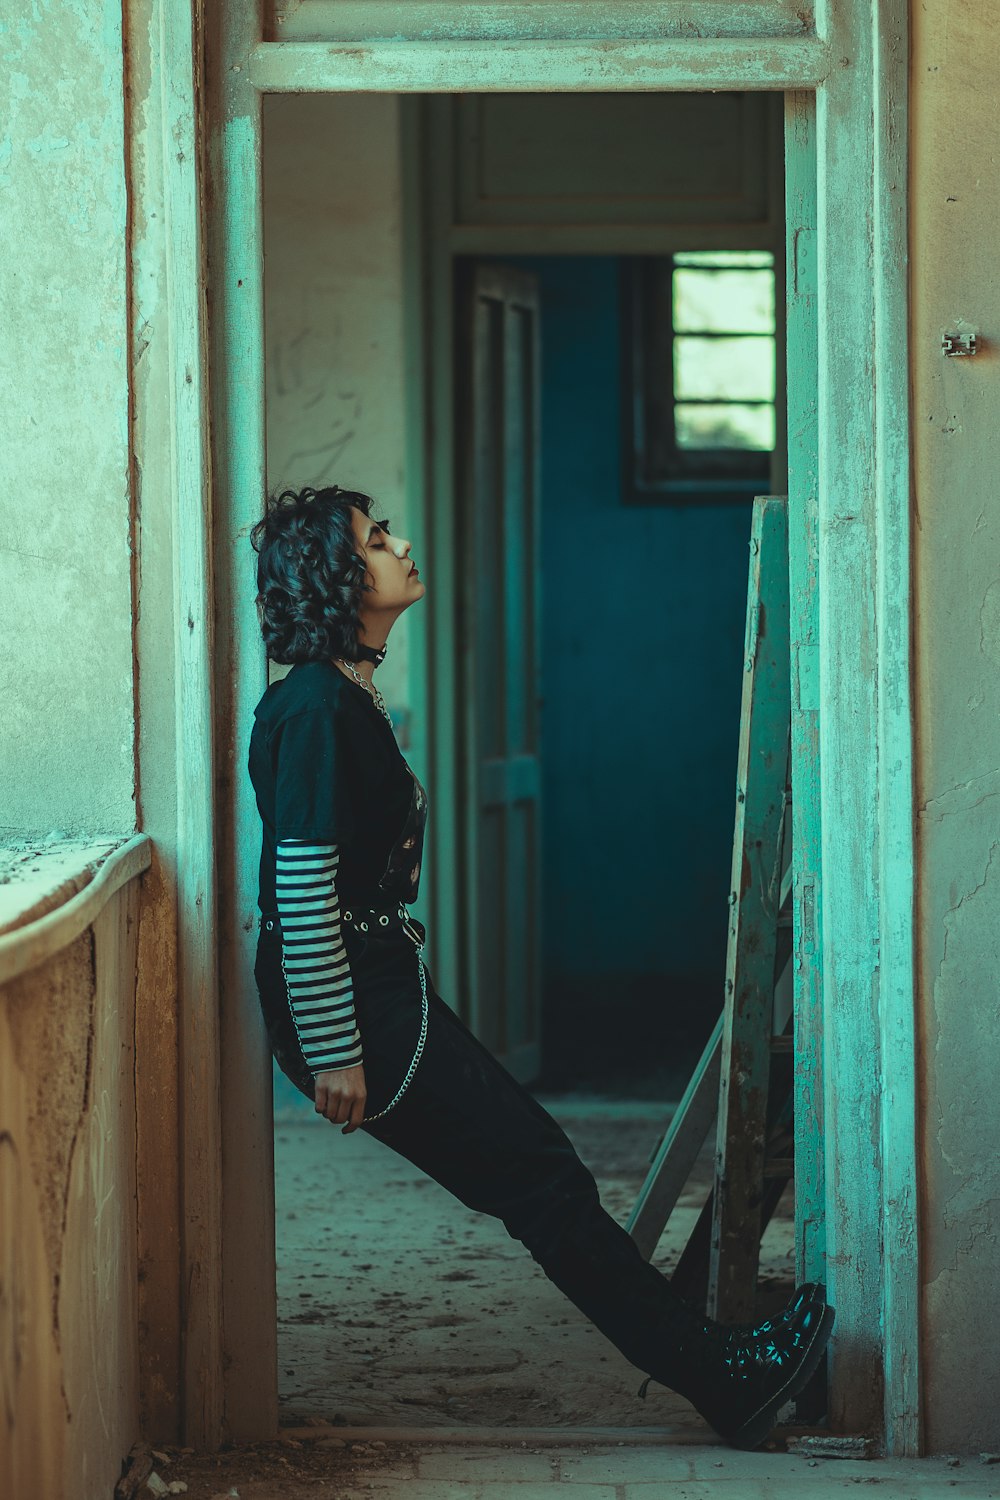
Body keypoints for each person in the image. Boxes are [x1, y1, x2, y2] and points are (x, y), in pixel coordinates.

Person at [247, 483, 835, 1451]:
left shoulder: (339, 694)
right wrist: (333, 1051)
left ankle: (716, 1366)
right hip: (353, 1000)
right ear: (337, 576)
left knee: (541, 1178)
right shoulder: (313, 706)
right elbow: (299, 885)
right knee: (544, 1186)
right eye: (377, 539)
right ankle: (721, 1378)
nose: (402, 545)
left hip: (378, 984)